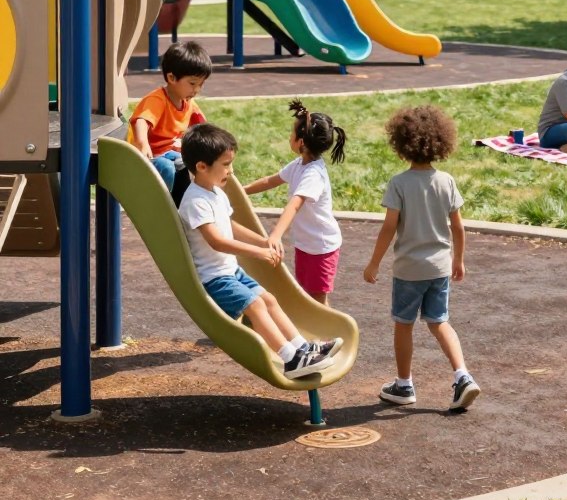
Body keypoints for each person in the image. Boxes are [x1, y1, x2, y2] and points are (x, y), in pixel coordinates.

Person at [178, 123, 341, 379]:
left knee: (269, 300)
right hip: (214, 279)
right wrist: (258, 253)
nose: (231, 171)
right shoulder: (195, 201)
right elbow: (218, 241)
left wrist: (263, 241)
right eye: (226, 164)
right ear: (201, 166)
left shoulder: (216, 194)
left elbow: (229, 225)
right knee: (255, 305)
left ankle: (302, 347)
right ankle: (290, 359)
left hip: (231, 272)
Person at [363, 105, 481, 412]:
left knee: (403, 325)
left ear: (401, 146)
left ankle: (404, 385)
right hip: (439, 266)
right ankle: (462, 375)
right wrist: (459, 259)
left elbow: (389, 227)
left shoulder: (399, 184)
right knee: (439, 322)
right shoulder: (446, 181)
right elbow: (457, 226)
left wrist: (374, 262)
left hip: (409, 270)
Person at [243, 99, 346, 305]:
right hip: (306, 244)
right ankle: (319, 331)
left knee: (317, 298)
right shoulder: (299, 164)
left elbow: (294, 204)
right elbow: (271, 180)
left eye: (292, 133)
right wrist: (240, 191)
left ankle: (329, 332)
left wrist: (275, 235)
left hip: (321, 246)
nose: (289, 137)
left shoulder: (313, 174)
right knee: (306, 293)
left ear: (301, 142)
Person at [130, 40, 212, 198]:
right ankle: (160, 204)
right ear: (172, 77)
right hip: (153, 157)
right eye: (192, 83)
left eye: (201, 84)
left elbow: (203, 126)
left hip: (173, 154)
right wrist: (142, 143)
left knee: (192, 166)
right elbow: (141, 120)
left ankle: (183, 204)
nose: (197, 90)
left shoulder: (187, 102)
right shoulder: (157, 99)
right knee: (166, 167)